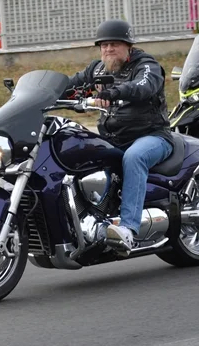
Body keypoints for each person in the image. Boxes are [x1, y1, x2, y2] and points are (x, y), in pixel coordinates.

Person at [61, 19, 173, 254]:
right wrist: (41, 93)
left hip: (151, 136)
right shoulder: (98, 69)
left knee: (134, 157)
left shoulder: (146, 66)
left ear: (128, 46)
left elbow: (143, 87)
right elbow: (71, 85)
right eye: (104, 45)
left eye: (114, 44)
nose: (108, 49)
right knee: (75, 149)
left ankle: (128, 230)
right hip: (113, 138)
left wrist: (113, 93)